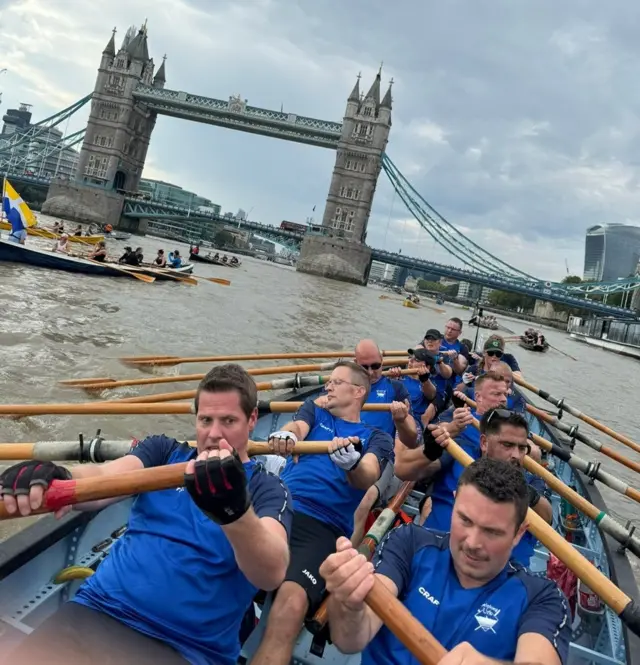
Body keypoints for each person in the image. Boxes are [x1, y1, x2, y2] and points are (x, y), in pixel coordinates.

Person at [0, 364, 292, 665]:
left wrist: (236, 514)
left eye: (228, 420)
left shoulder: (267, 489)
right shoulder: (164, 453)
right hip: (95, 611)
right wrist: (57, 476)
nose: (213, 433)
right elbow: (102, 478)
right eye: (205, 420)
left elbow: (271, 572)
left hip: (186, 649)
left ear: (252, 419)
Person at [320, 457, 570, 665]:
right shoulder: (410, 542)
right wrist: (349, 605)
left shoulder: (542, 597)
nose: (472, 542)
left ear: (519, 533)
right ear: (454, 502)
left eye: (492, 532)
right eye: (465, 520)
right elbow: (350, 640)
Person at [250, 361, 394, 665]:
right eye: (328, 382)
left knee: (290, 607)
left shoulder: (376, 437)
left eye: (335, 382)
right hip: (278, 506)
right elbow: (295, 428)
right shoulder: (313, 411)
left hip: (321, 529)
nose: (327, 386)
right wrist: (287, 436)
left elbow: (367, 473)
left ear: (358, 392)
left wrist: (351, 464)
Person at [394, 371, 509, 528]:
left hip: (492, 501)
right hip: (450, 477)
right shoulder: (460, 419)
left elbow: (534, 453)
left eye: (505, 394)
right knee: (430, 503)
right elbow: (441, 429)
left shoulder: (513, 427)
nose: (503, 399)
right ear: (479, 397)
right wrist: (452, 428)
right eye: (497, 394)